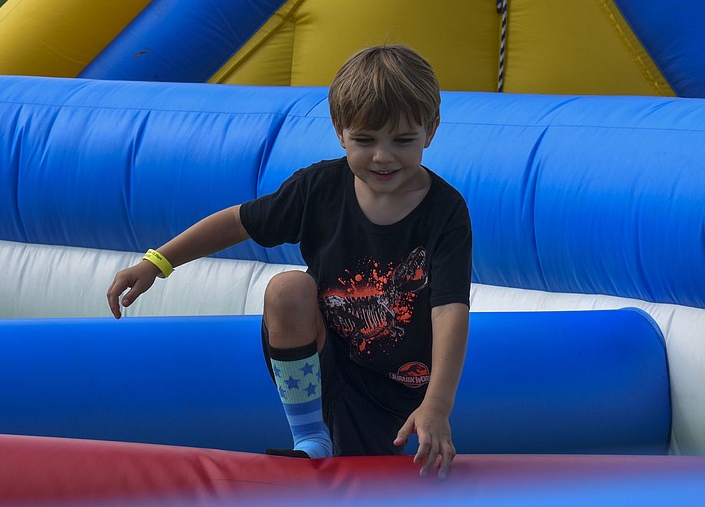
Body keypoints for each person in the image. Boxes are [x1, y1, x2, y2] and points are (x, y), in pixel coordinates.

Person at [107, 44, 472, 477]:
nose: (383, 156)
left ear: (431, 130)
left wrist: (436, 405)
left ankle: (343, 442)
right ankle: (310, 437)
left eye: (403, 140)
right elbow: (238, 222)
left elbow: (449, 308)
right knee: (287, 289)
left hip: (398, 388)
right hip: (324, 368)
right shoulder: (319, 188)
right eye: (365, 140)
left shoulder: (444, 212)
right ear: (340, 131)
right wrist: (156, 262)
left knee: (370, 478)